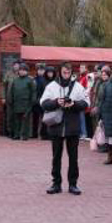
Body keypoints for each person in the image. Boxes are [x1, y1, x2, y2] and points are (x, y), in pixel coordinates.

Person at [40, 63, 89, 195]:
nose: (66, 74)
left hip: (73, 126)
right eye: (64, 72)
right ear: (60, 72)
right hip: (56, 126)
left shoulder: (78, 86)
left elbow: (86, 103)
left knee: (73, 157)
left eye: (68, 72)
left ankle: (73, 184)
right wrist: (56, 102)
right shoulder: (51, 86)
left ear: (71, 72)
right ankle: (56, 183)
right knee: (56, 156)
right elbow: (43, 103)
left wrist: (73, 104)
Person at [7, 62, 36, 141]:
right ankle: (16, 135)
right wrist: (10, 100)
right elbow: (11, 91)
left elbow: (33, 92)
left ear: (27, 71)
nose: (22, 71)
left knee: (25, 120)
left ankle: (24, 135)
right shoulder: (15, 80)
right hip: (16, 103)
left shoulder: (30, 80)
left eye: (24, 70)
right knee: (16, 120)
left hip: (26, 103)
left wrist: (32, 101)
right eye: (20, 70)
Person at [35, 67, 55, 139]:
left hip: (53, 102)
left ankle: (52, 134)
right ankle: (44, 134)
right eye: (49, 72)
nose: (50, 74)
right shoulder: (42, 81)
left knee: (52, 119)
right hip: (44, 102)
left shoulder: (55, 82)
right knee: (44, 119)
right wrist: (39, 101)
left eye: (51, 72)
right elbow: (38, 92)